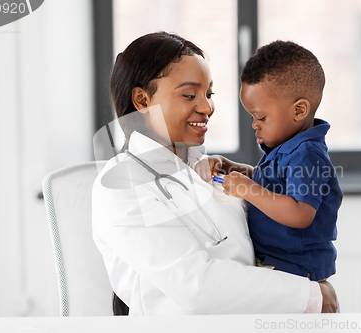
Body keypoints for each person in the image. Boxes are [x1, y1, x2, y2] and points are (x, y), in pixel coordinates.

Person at [92, 32, 337, 316]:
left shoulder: (205, 167)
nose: (207, 108)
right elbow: (196, 285)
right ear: (143, 100)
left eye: (209, 94)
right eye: (189, 95)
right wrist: (310, 296)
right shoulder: (123, 184)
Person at [194, 41, 342, 282]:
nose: (254, 124)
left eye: (261, 117)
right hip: (277, 265)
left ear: (299, 110)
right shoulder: (287, 147)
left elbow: (299, 213)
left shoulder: (308, 155)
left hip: (297, 271)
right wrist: (231, 167)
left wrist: (247, 189)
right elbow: (273, 185)